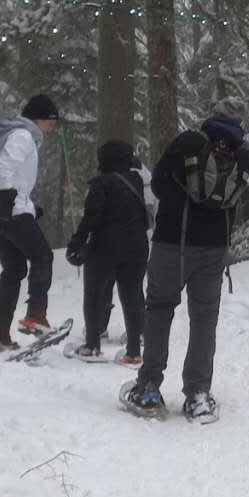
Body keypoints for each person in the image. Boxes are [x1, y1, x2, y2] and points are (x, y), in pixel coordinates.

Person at [121, 100, 249, 421]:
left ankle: (149, 387)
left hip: (172, 243)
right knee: (205, 318)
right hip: (214, 249)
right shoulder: (244, 155)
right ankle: (198, 394)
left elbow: (161, 186)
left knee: (160, 309)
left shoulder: (188, 143)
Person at [0, 93, 59, 348]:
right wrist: (9, 199)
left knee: (14, 268)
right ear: (38, 120)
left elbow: (10, 177)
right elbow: (4, 167)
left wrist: (29, 207)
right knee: (42, 256)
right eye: (50, 123)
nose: (51, 129)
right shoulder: (22, 135)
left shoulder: (16, 135)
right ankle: (36, 315)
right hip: (5, 210)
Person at [65, 140, 148, 365]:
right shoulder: (136, 182)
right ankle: (133, 351)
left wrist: (76, 243)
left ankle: (92, 346)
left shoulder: (100, 185)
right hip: (137, 247)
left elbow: (91, 219)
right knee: (131, 296)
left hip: (106, 247)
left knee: (93, 294)